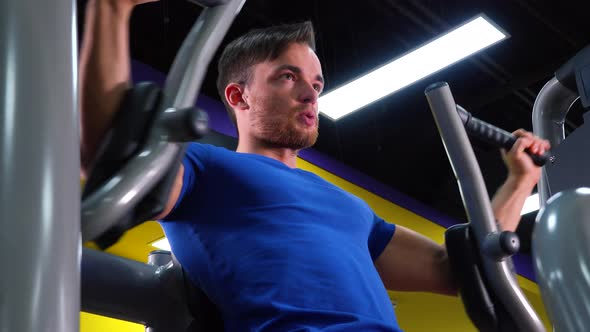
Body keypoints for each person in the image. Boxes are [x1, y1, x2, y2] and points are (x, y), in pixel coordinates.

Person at [79, 0, 551, 331]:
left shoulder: (351, 208)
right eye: (288, 77)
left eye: (317, 83)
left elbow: (465, 269)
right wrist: (112, 8)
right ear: (238, 96)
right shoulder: (207, 167)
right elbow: (112, 155)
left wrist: (518, 179)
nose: (311, 94)